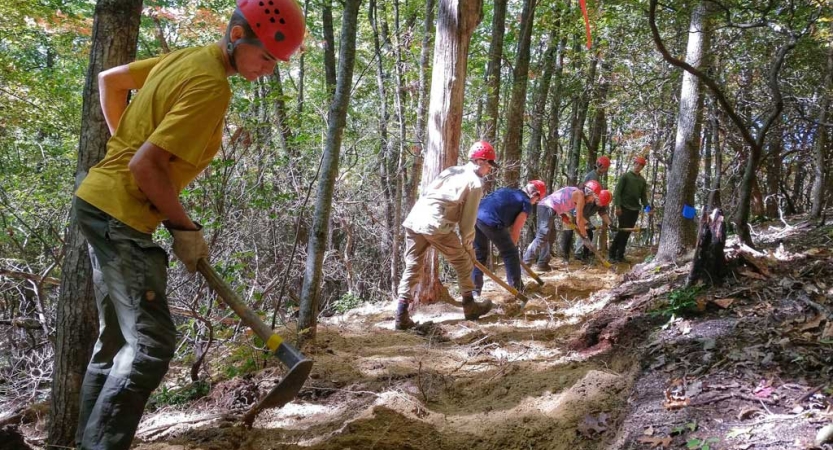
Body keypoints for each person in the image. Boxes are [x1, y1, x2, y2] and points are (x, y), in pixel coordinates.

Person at [72, 1, 305, 448]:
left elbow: (111, 82)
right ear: (238, 38)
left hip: (101, 204)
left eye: (278, 63)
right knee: (149, 348)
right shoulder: (210, 84)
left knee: (119, 340)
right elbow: (145, 167)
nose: (270, 71)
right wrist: (184, 229)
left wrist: (127, 145)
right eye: (266, 58)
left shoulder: (187, 57)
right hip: (119, 213)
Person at [394, 141, 499, 330]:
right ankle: (470, 305)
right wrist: (469, 249)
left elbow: (428, 192)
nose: (490, 170)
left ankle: (401, 314)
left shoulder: (452, 171)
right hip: (435, 224)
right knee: (464, 262)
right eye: (490, 165)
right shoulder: (475, 183)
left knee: (412, 266)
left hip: (415, 218)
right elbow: (467, 224)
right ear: (480, 161)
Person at [472, 180, 546, 296]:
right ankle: (517, 290)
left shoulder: (506, 190)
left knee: (479, 255)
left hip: (475, 217)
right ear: (534, 194)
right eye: (538, 199)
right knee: (511, 253)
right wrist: (512, 248)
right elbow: (516, 229)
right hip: (491, 221)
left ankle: (475, 291)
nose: (536, 202)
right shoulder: (525, 202)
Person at [523, 181, 599, 271]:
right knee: (542, 236)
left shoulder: (576, 191)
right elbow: (579, 220)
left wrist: (563, 215)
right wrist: (585, 237)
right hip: (547, 207)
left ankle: (542, 264)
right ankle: (525, 265)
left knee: (550, 237)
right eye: (592, 197)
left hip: (548, 207)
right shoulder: (580, 196)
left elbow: (559, 199)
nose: (592, 200)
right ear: (589, 192)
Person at [609, 155, 652, 262]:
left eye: (640, 165)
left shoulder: (642, 180)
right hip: (624, 208)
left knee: (627, 233)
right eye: (636, 164)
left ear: (642, 167)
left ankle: (620, 256)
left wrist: (647, 207)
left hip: (635, 209)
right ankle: (612, 254)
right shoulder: (625, 177)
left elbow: (643, 196)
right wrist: (618, 206)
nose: (638, 166)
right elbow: (617, 193)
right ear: (634, 164)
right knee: (622, 231)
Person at [569, 189, 613, 262]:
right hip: (573, 215)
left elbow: (602, 213)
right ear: (598, 198)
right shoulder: (588, 200)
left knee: (589, 234)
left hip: (584, 218)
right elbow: (578, 214)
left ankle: (585, 256)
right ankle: (573, 255)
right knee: (571, 233)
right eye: (601, 203)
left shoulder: (600, 204)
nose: (601, 205)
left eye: (603, 204)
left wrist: (610, 224)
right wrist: (588, 224)